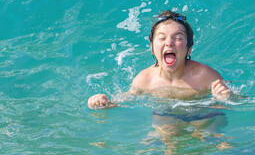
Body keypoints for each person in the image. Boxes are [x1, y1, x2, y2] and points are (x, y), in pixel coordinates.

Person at [88, 10, 231, 109]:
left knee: (213, 136)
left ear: (189, 49)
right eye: (162, 38)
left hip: (201, 112)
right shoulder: (145, 79)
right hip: (166, 115)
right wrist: (103, 103)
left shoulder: (204, 75)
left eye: (178, 38)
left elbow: (239, 99)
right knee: (160, 137)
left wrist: (226, 98)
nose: (169, 43)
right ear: (152, 47)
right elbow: (125, 100)